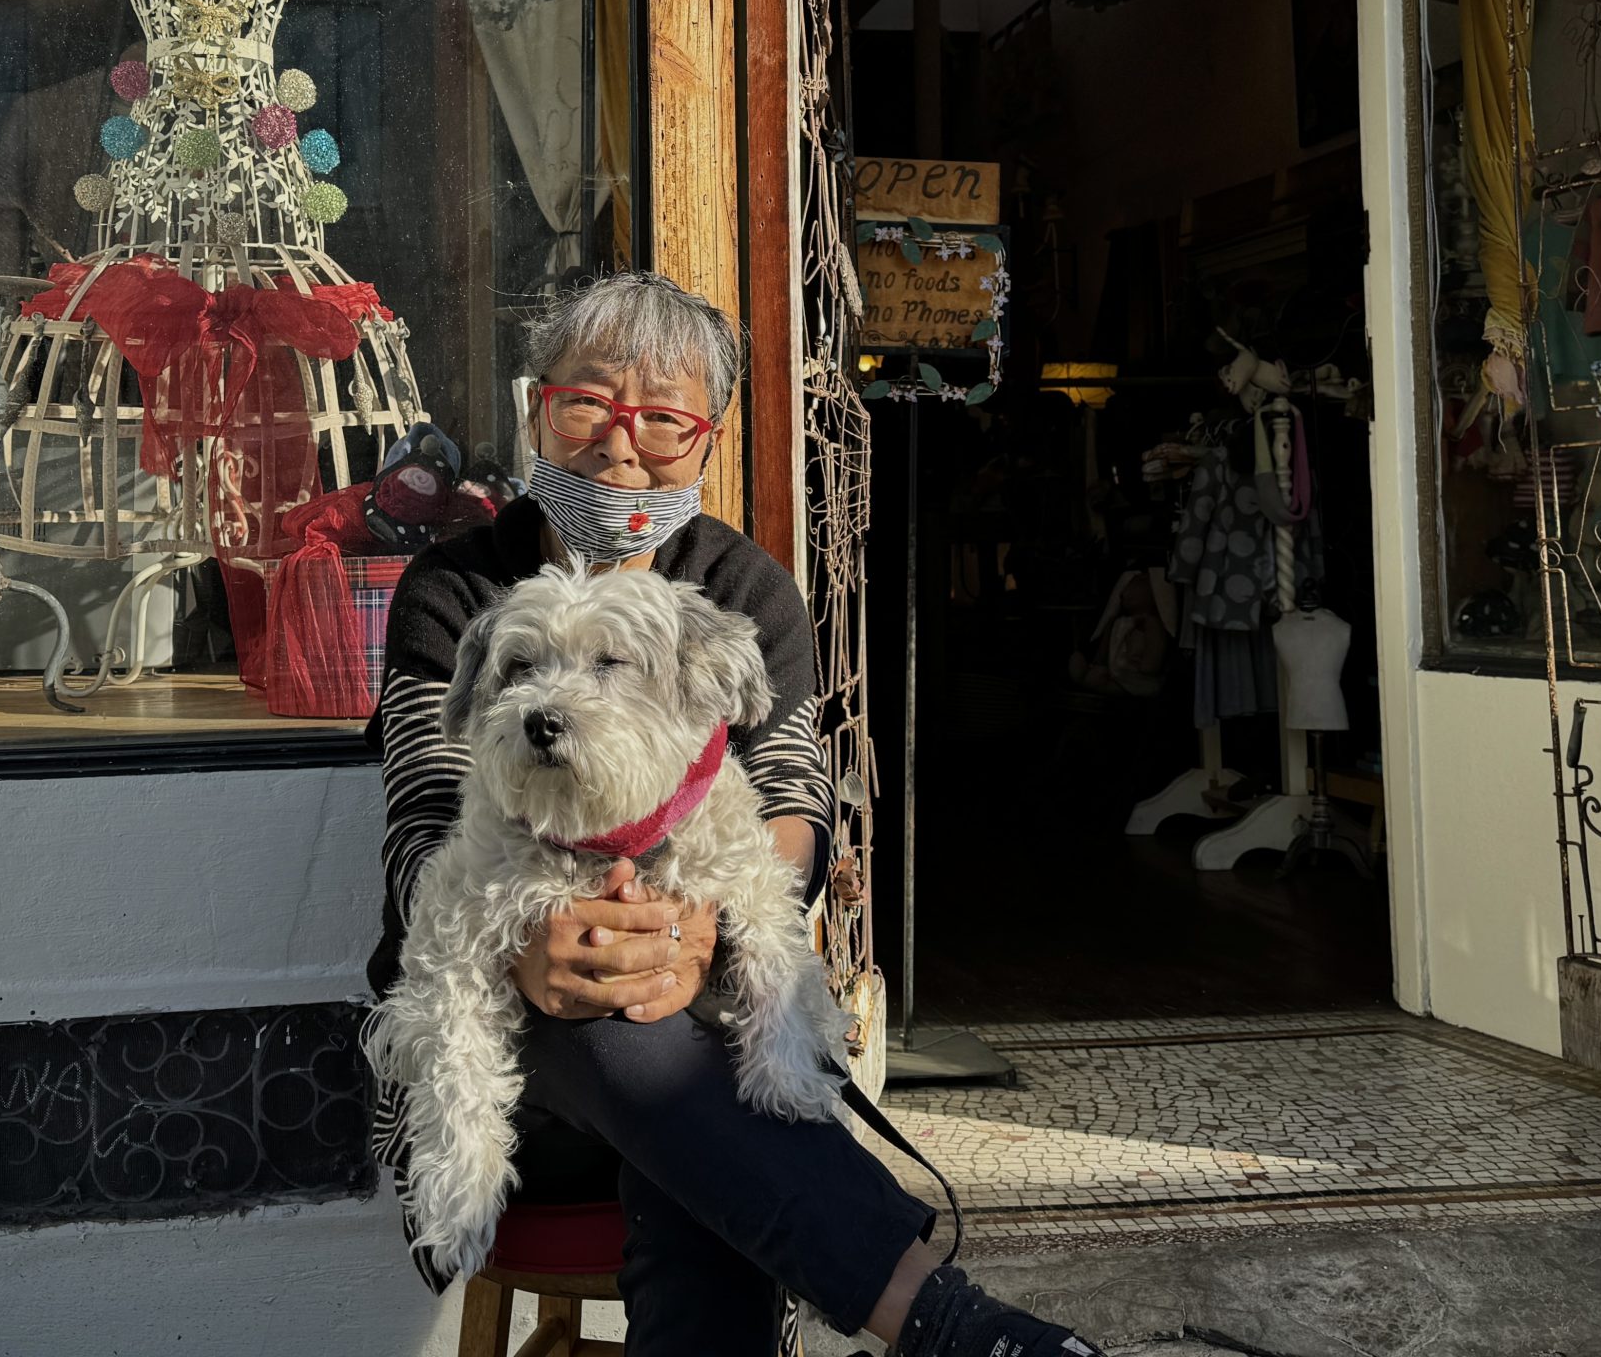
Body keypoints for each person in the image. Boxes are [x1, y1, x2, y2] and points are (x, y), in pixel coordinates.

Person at [367, 271, 1102, 1357]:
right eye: (588, 403)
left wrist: (697, 934)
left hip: (701, 1036)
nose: (621, 445)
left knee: (688, 1110)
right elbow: (424, 829)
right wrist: (530, 951)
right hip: (498, 1071)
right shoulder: (454, 590)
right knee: (629, 1038)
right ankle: (950, 1327)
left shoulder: (744, 588)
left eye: (663, 418)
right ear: (536, 411)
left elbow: (794, 802)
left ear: (706, 440)